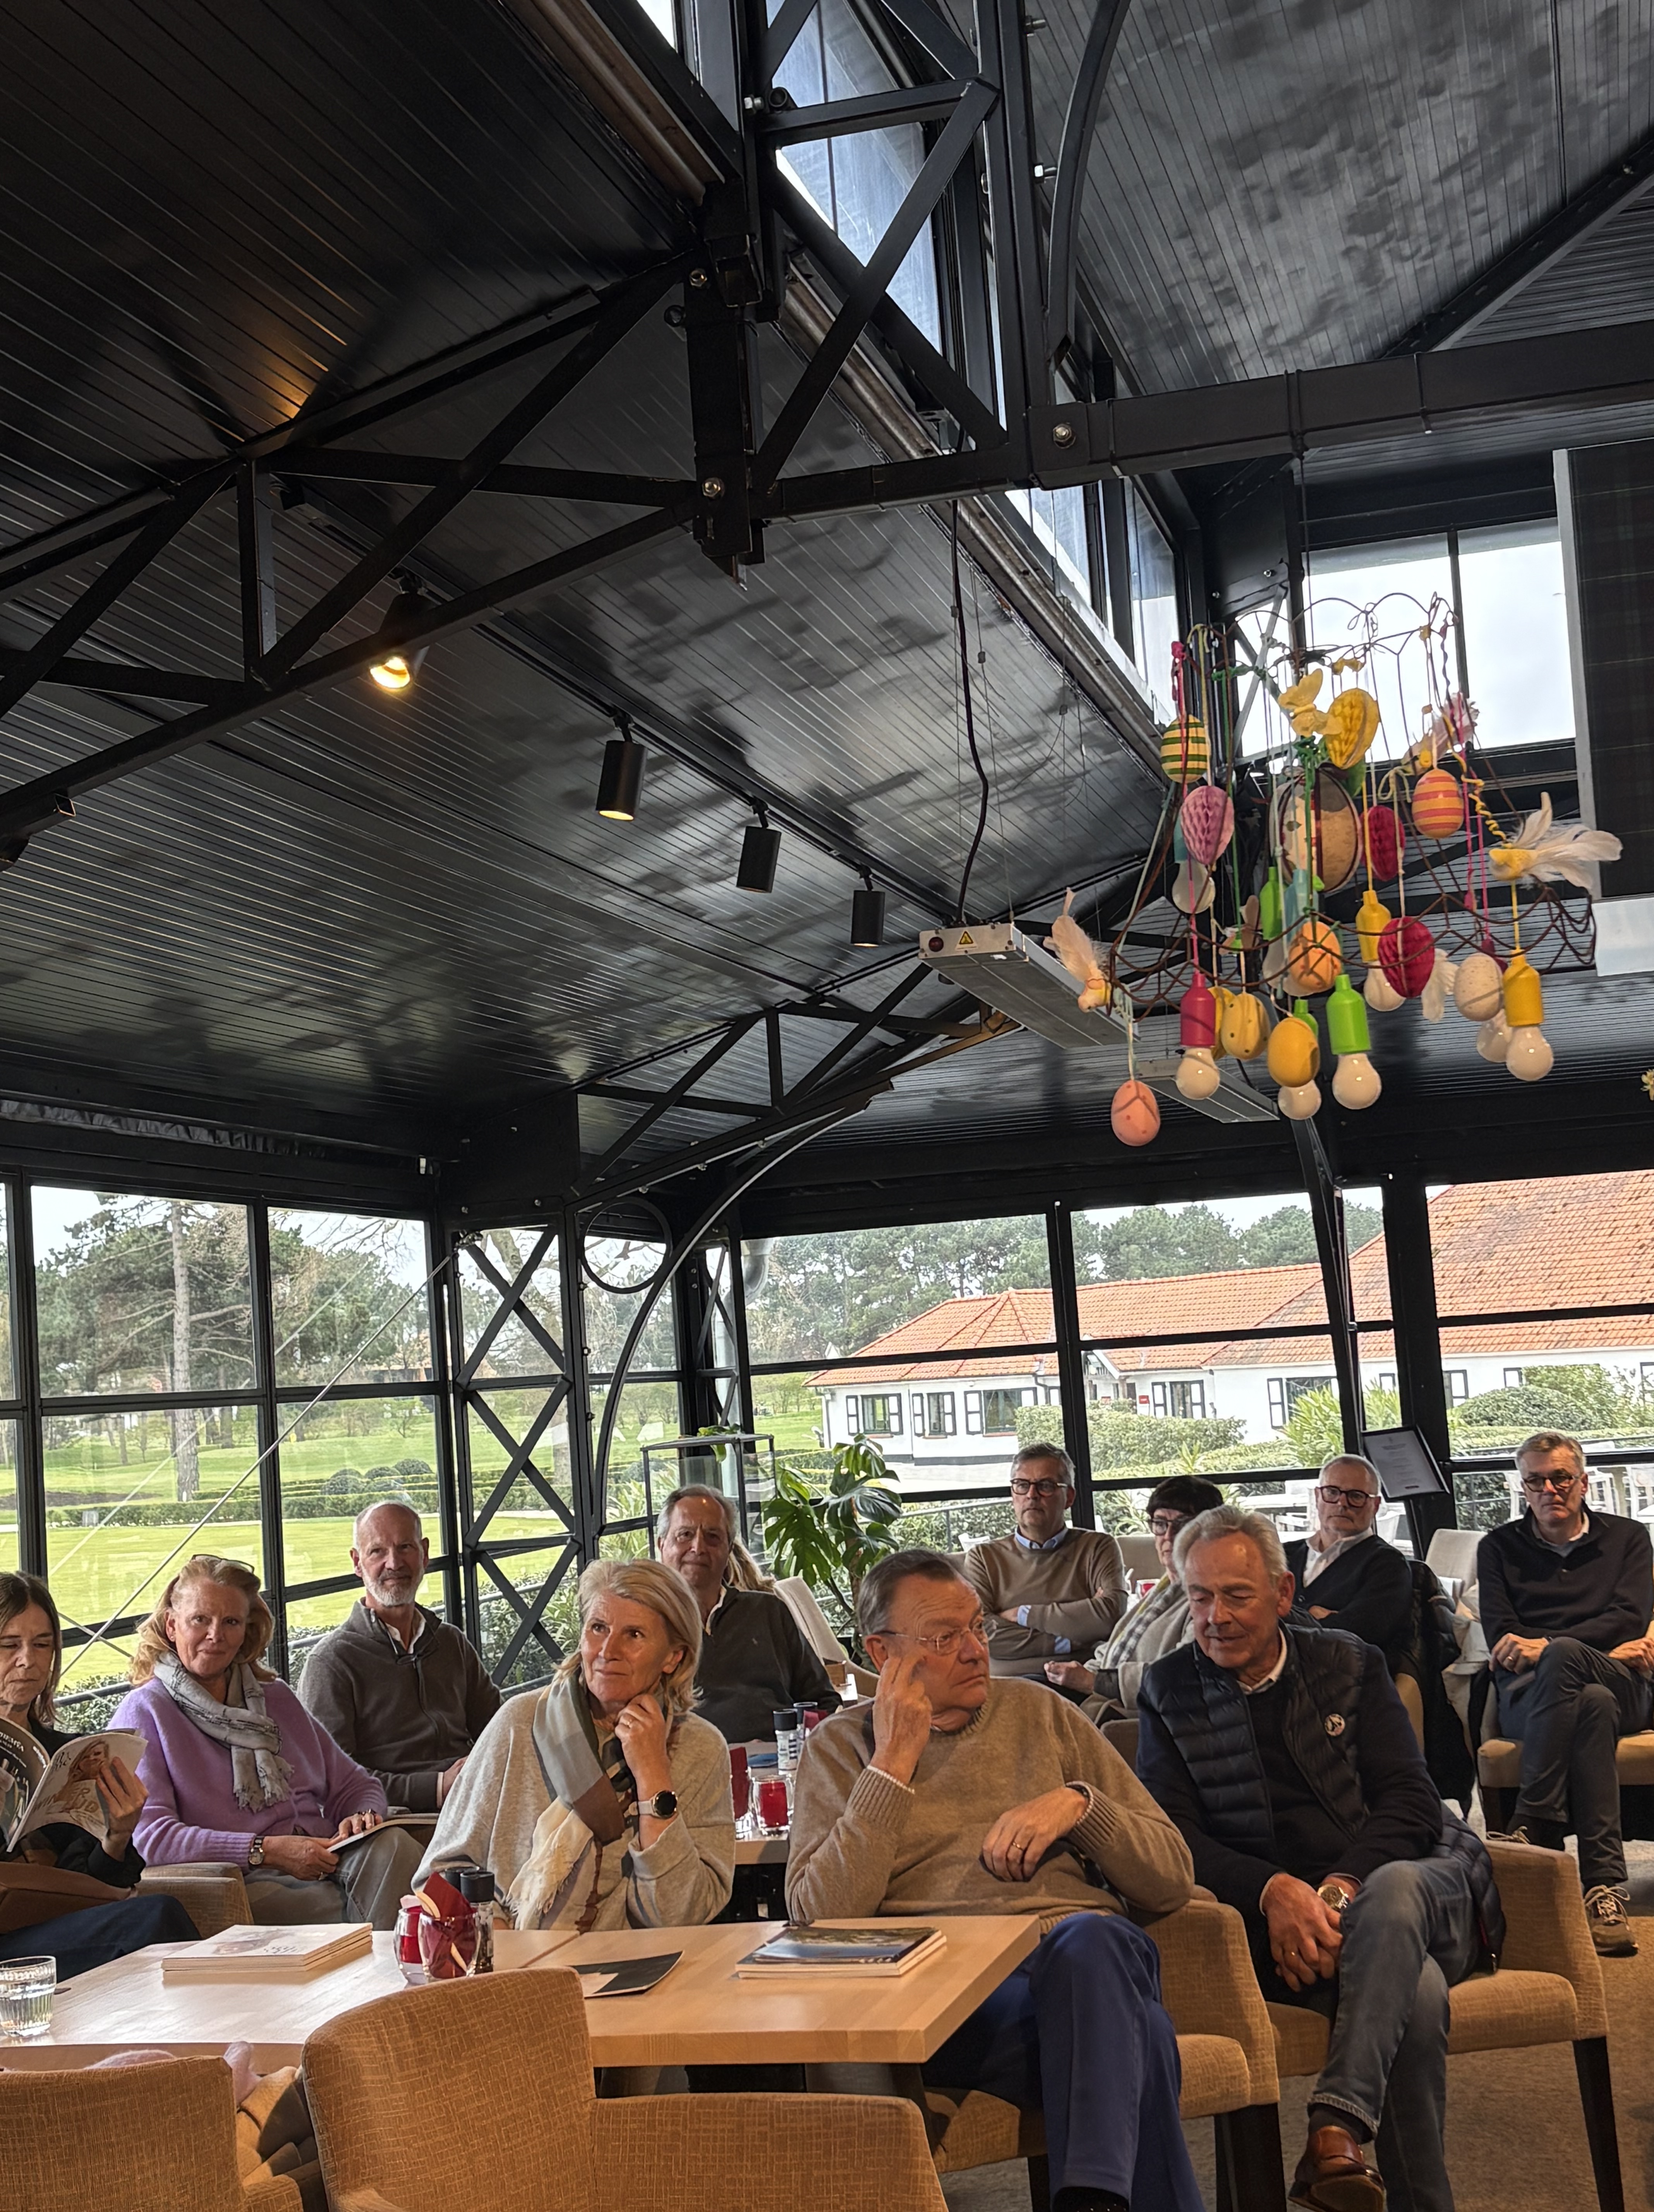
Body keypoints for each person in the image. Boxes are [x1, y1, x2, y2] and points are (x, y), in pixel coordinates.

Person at [788, 1548, 1201, 2212]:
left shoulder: (1043, 1713)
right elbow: (817, 1919)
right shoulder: (839, 1749)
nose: (976, 1650)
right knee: (1143, 2034)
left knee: (1091, 1943)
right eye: (944, 1638)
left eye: (977, 1627)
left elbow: (1171, 1878)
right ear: (881, 1652)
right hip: (952, 1999)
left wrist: (1080, 1807)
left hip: (1083, 1960)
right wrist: (891, 1764)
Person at [1137, 1506, 1500, 2212]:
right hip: (1284, 1930)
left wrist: (1333, 1893)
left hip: (1414, 1889)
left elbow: (1411, 1803)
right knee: (1419, 1993)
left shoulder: (1349, 1663)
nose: (1215, 1617)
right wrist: (1273, 1890)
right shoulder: (1167, 1688)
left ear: (1282, 1594)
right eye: (1199, 1596)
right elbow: (1172, 1836)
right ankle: (1357, 2165)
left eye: (1236, 1595)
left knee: (1392, 1890)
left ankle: (1334, 2121)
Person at [416, 1557, 733, 1932]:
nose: (608, 1650)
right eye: (598, 1628)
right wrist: (493, 1931)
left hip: (640, 1964)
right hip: (515, 1958)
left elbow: (680, 1916)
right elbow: (439, 1874)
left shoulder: (700, 1749)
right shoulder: (519, 1723)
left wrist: (654, 1778)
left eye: (634, 1635)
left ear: (673, 1657)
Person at [112, 1554, 422, 1930]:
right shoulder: (145, 1712)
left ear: (246, 1630)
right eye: (200, 1620)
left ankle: (389, 1952)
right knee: (345, 1905)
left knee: (397, 1847)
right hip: (244, 1879)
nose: (215, 1635)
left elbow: (356, 1785)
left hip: (328, 1856)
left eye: (231, 1622)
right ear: (172, 1625)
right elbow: (153, 1839)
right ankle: (392, 1957)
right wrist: (264, 1851)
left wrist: (362, 1816)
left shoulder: (276, 1697)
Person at [1478, 1429, 1654, 1958]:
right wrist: (1574, 1648)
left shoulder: (1629, 1538)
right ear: (1523, 1487)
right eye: (1536, 1481)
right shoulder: (1498, 1548)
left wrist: (1549, 1645)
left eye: (1560, 1478)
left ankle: (1534, 1817)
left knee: (1566, 1659)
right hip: (1531, 1697)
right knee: (1590, 1704)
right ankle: (1605, 1889)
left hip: (1625, 1685)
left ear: (1583, 1482)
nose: (1549, 1489)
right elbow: (1502, 1634)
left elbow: (1629, 1617)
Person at [0, 1572, 199, 1975]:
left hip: (55, 1925)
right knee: (156, 1917)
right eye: (9, 1645)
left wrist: (117, 1836)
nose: (28, 1660)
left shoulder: (65, 1754)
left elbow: (91, 1888)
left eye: (42, 1645)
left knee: (154, 1917)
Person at [297, 1499, 500, 1812]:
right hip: (400, 1820)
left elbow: (499, 1728)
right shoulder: (332, 1663)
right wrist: (436, 1787)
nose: (394, 1563)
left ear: (424, 1554)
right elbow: (332, 1782)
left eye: (405, 1547)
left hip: (476, 1799)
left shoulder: (450, 1642)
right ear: (357, 1562)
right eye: (377, 1551)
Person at [656, 1485, 839, 1742]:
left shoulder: (768, 1612)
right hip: (690, 1760)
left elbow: (822, 1701)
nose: (698, 1547)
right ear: (662, 1545)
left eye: (712, 1537)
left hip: (779, 1757)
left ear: (729, 1549)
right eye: (685, 1535)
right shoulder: (646, 1625)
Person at [1042, 1475, 1224, 1720]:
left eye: (1183, 1524)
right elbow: (1116, 1647)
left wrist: (1093, 1681)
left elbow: (1186, 1676)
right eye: (1160, 1524)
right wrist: (1081, 1674)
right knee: (1028, 1691)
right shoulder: (1165, 1589)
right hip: (1102, 1695)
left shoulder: (1209, 1599)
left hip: (1133, 1713)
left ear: (1209, 1531)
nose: (1169, 1536)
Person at [959, 1444, 1129, 1684]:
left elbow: (1111, 1615)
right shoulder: (984, 1558)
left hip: (1079, 1683)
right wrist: (1069, 1640)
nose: (1032, 1495)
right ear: (1013, 1495)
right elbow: (979, 1632)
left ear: (1069, 1497)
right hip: (1008, 1686)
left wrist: (1023, 1614)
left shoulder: (1097, 1547)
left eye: (1046, 1486)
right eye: (1022, 1485)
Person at [1284, 1455, 1413, 1665]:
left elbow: (1360, 1635)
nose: (1342, 1503)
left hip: (1342, 1676)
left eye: (1356, 1496)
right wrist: (1315, 1615)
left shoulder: (1388, 1565)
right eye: (1332, 1492)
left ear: (1375, 1505)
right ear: (1317, 1496)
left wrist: (1285, 1615)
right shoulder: (1282, 1555)